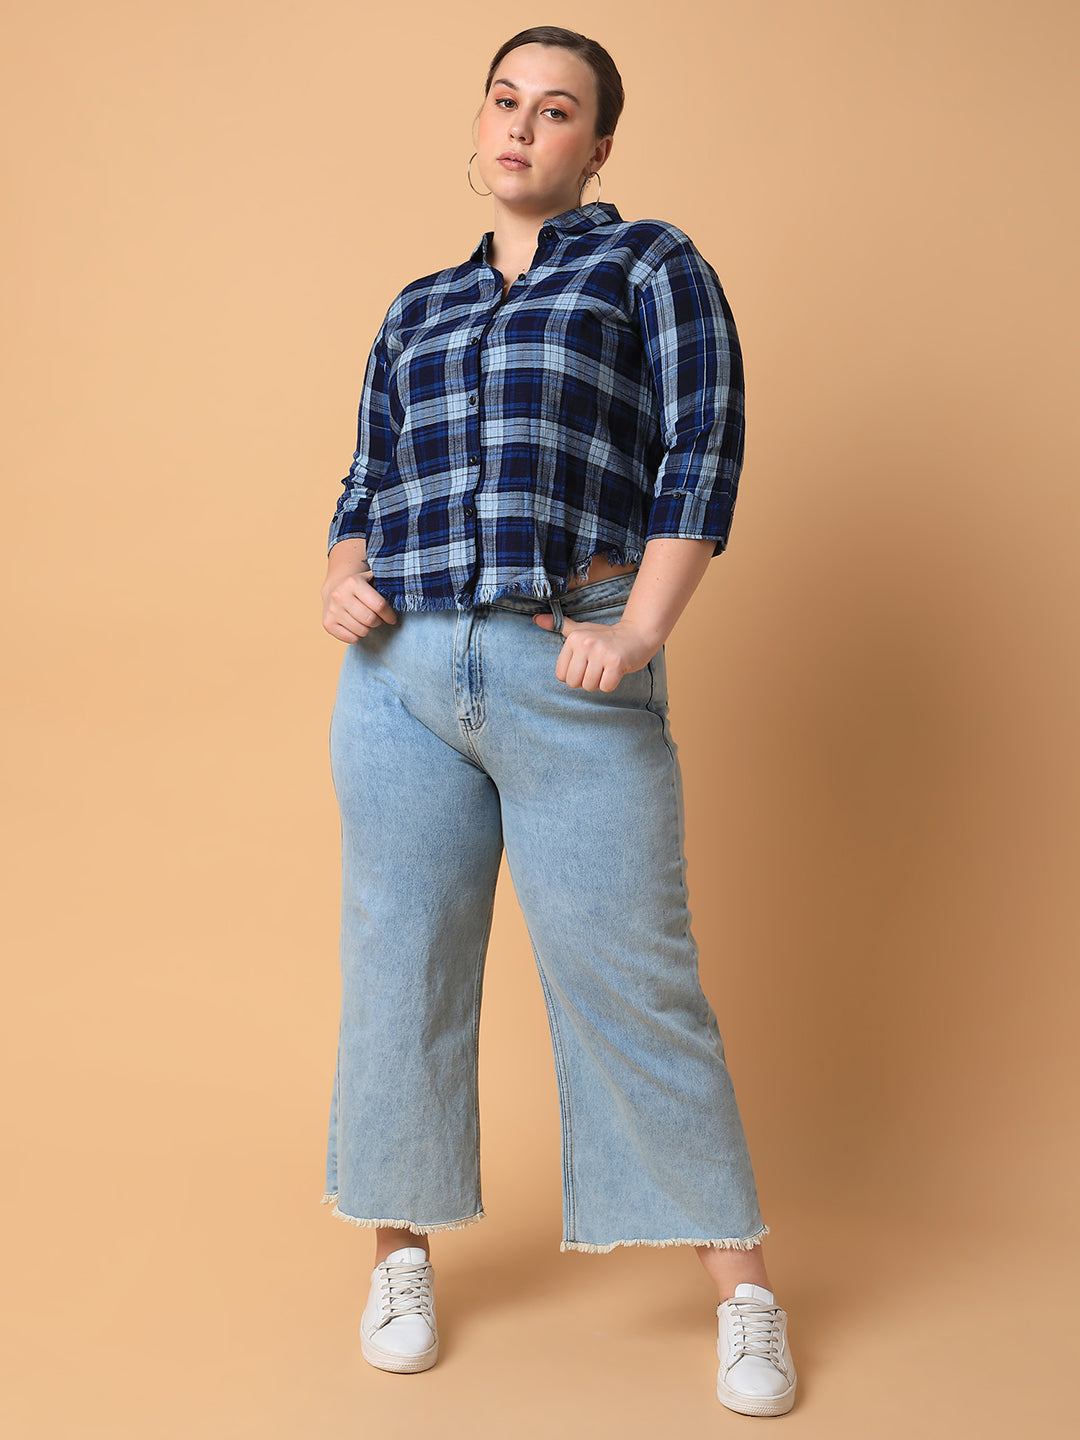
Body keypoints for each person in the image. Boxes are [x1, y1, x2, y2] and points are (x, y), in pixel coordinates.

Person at [318, 25, 798, 1418]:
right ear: (479, 125)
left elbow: (703, 449)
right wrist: (344, 578)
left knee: (634, 980)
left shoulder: (648, 266)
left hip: (566, 666)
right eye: (505, 100)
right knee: (401, 968)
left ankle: (747, 1294)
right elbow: (364, 484)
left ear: (599, 145)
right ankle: (398, 1261)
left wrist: (639, 628)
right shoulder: (416, 307)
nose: (523, 127)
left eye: (557, 109)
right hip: (402, 678)